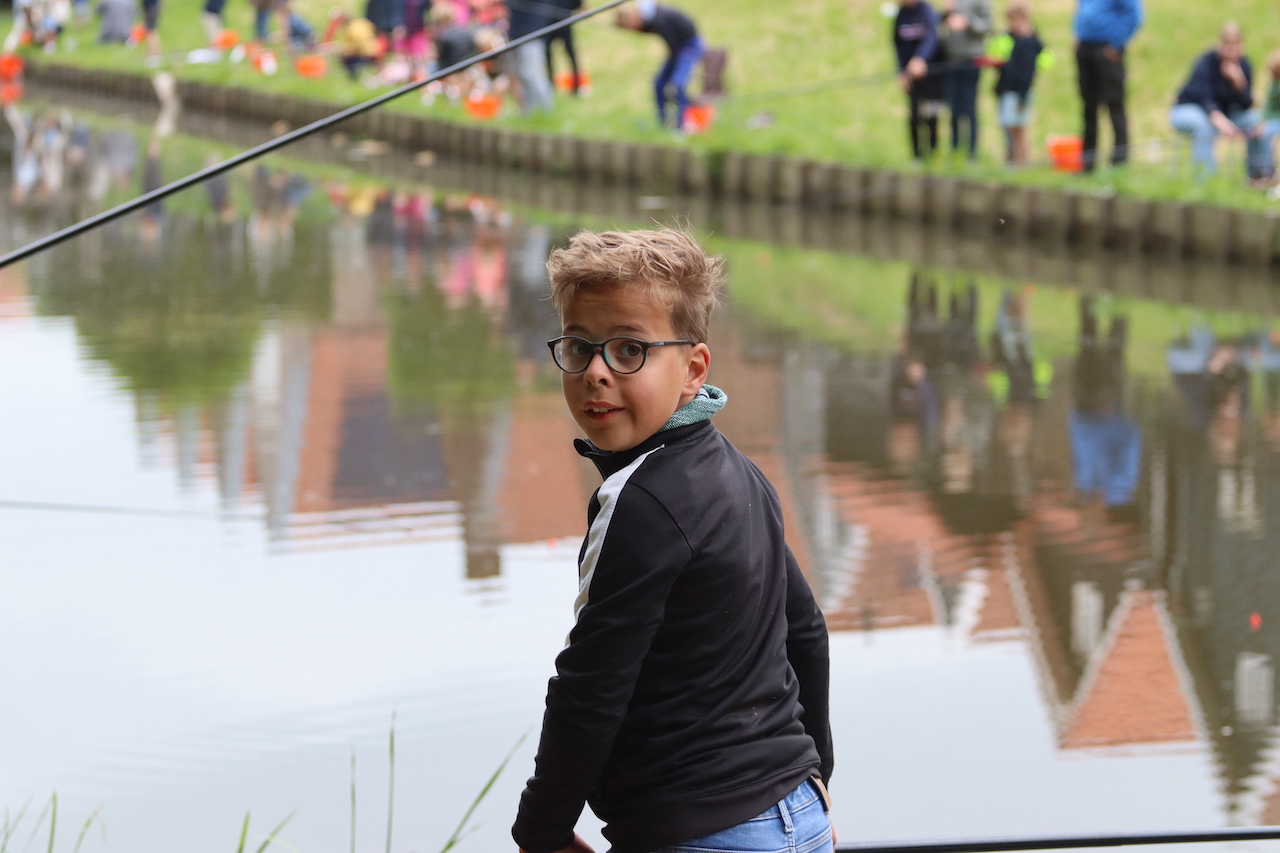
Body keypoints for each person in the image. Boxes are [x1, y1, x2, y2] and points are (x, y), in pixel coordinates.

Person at [511, 228, 834, 853]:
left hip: (701, 832)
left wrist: (541, 832)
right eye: (579, 347)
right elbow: (808, 633)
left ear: (693, 370)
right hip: (798, 816)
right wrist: (815, 775)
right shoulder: (742, 474)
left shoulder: (641, 503)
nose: (596, 372)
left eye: (630, 350)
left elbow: (592, 686)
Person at [1170, 22, 1276, 184]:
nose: (1231, 52)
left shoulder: (1244, 65)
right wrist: (1220, 122)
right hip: (1190, 109)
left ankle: (1259, 178)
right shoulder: (1206, 63)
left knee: (1256, 122)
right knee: (1203, 126)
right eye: (1228, 46)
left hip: (1227, 114)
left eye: (1235, 46)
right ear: (1220, 44)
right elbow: (1205, 98)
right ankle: (1205, 182)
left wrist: (1239, 84)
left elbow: (1247, 104)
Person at [1073, 0, 1141, 172]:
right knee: (1088, 107)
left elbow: (1134, 16)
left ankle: (1119, 161)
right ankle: (1088, 163)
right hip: (1085, 49)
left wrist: (1116, 44)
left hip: (1107, 51)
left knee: (1114, 105)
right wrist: (1078, 34)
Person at [616, 1, 704, 131]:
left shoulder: (659, 20)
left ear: (634, 18)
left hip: (688, 46)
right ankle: (664, 123)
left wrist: (674, 71)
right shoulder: (649, 16)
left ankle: (683, 125)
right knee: (659, 83)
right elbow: (648, 29)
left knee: (678, 85)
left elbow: (672, 43)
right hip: (677, 49)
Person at [990, 0, 1045, 165]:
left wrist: (1022, 95)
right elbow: (1001, 58)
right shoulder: (1007, 37)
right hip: (1006, 88)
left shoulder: (1031, 42)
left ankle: (1021, 161)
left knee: (1018, 128)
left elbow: (1028, 71)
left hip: (1021, 92)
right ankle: (1013, 160)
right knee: (1008, 126)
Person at [937, 0, 992, 159]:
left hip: (971, 61)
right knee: (953, 109)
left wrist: (968, 22)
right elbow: (938, 24)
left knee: (969, 108)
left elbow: (988, 25)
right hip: (950, 61)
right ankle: (955, 153)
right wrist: (945, 12)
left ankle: (972, 155)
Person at [893, 0, 942, 160]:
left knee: (931, 115)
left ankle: (933, 154)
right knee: (914, 116)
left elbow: (932, 37)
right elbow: (898, 44)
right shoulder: (901, 14)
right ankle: (917, 156)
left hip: (931, 75)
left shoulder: (926, 11)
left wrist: (920, 58)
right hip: (911, 77)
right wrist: (902, 71)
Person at [505, 0, 555, 113]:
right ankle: (528, 112)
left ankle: (547, 112)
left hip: (532, 33)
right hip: (517, 33)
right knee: (522, 75)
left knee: (532, 74)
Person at [543, 0, 582, 94]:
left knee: (570, 53)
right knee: (548, 55)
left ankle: (576, 85)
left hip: (563, 21)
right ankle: (551, 85)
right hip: (549, 22)